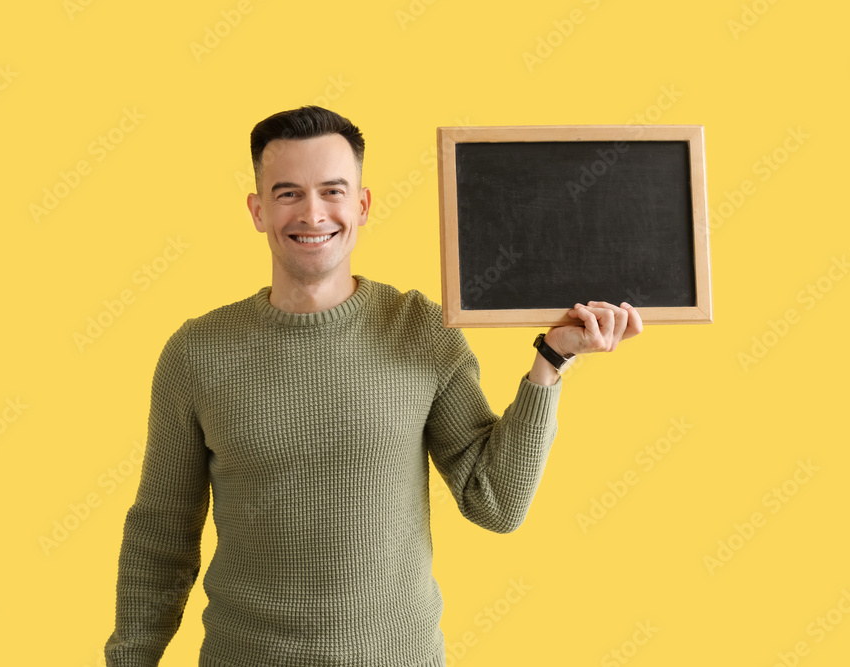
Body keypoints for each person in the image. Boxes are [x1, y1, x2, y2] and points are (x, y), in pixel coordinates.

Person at [104, 106, 643, 666]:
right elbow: (160, 539)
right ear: (258, 210)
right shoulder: (196, 353)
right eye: (288, 193)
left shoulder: (422, 330)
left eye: (332, 191)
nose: (313, 213)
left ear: (361, 206)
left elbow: (496, 501)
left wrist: (551, 361)